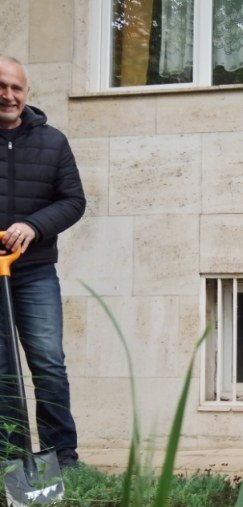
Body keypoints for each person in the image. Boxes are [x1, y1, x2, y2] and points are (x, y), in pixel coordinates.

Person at [0, 55, 86, 469]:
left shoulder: (53, 142)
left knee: (48, 362)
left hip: (34, 271)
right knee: (2, 368)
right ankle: (12, 455)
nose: (8, 95)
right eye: (1, 86)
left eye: (16, 87)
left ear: (27, 92)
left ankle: (61, 454)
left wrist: (32, 226)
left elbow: (73, 201)